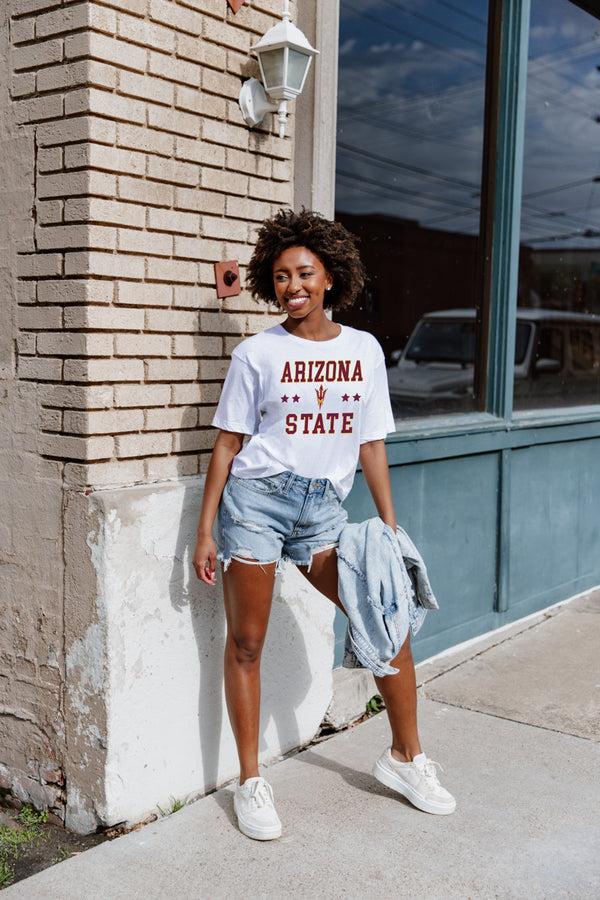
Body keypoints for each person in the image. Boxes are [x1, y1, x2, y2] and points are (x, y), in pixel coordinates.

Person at [193, 208, 456, 841]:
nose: (293, 287)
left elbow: (370, 447)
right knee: (248, 643)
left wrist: (389, 528)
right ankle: (251, 782)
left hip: (322, 509)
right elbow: (228, 445)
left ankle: (404, 758)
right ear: (268, 282)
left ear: (331, 277)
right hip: (255, 501)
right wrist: (206, 531)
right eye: (280, 276)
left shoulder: (364, 350)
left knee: (386, 615)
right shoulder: (257, 353)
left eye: (304, 273)